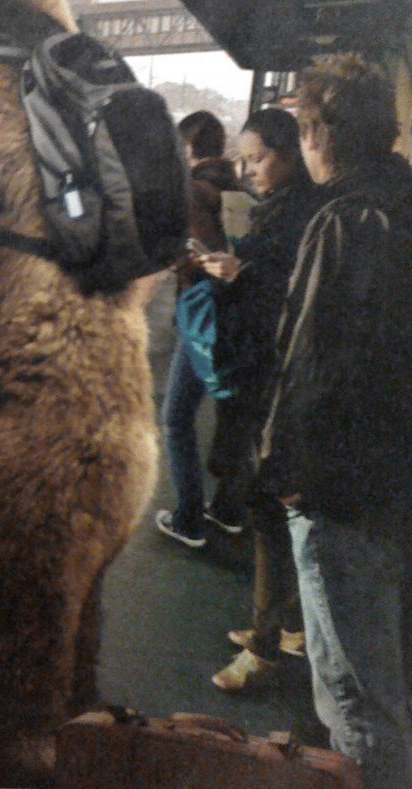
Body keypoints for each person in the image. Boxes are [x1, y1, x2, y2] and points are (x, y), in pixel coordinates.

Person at [257, 54, 412, 788]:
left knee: (353, 691)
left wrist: (284, 476)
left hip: (341, 487)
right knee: (384, 665)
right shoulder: (403, 200)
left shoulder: (348, 220)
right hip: (393, 479)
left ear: (318, 133)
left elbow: (312, 366)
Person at [194, 108, 316, 692]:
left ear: (298, 148)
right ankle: (284, 626)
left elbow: (290, 303)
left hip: (278, 385)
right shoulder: (294, 207)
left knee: (270, 510)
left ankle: (267, 647)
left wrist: (238, 275)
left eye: (259, 158)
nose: (249, 169)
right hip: (277, 381)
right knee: (275, 513)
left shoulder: (303, 214)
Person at [155, 110, 244, 548]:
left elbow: (193, 254)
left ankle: (189, 518)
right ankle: (229, 509)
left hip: (202, 317)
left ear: (187, 149)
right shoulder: (240, 185)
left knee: (175, 420)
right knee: (234, 415)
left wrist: (180, 259)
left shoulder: (191, 192)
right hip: (240, 318)